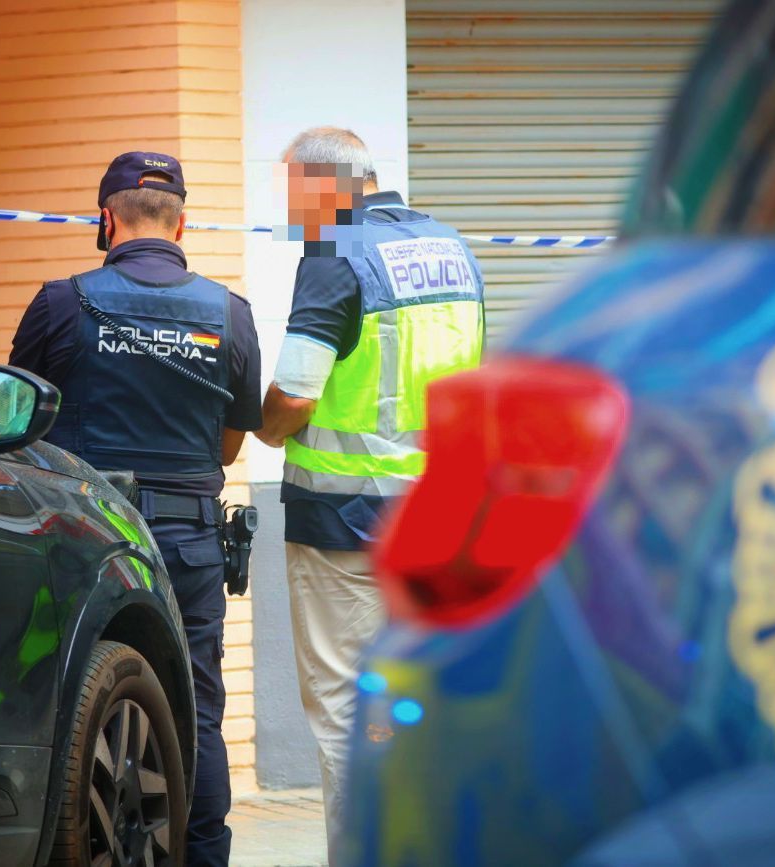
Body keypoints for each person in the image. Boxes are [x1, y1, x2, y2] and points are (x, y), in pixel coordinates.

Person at [9, 152, 261, 867]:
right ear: (182, 224)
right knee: (197, 713)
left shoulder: (63, 301)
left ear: (105, 220)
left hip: (86, 536)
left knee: (82, 706)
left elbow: (16, 415)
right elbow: (232, 445)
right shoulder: (229, 313)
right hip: (190, 538)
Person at [256, 127, 485, 862]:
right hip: (440, 525)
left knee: (349, 717)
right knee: (425, 711)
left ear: (329, 187)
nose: (292, 213)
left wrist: (261, 427)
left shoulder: (333, 255)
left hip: (345, 531)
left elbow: (294, 394)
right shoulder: (453, 249)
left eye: (295, 193)